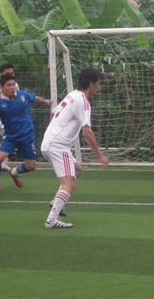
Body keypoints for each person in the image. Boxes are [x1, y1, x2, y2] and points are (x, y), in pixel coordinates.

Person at [41, 68, 109, 229]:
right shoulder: (83, 102)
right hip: (58, 146)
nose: (98, 87)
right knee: (69, 184)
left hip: (50, 143)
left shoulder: (71, 95)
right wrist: (100, 155)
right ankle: (51, 220)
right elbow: (87, 133)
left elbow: (53, 114)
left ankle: (56, 202)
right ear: (91, 84)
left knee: (77, 169)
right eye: (98, 84)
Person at [0, 74, 52, 193]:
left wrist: (45, 101)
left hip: (26, 137)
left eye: (13, 84)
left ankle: (14, 172)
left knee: (31, 166)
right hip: (10, 137)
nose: (12, 87)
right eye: (9, 85)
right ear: (2, 87)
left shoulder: (22, 95)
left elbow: (34, 98)